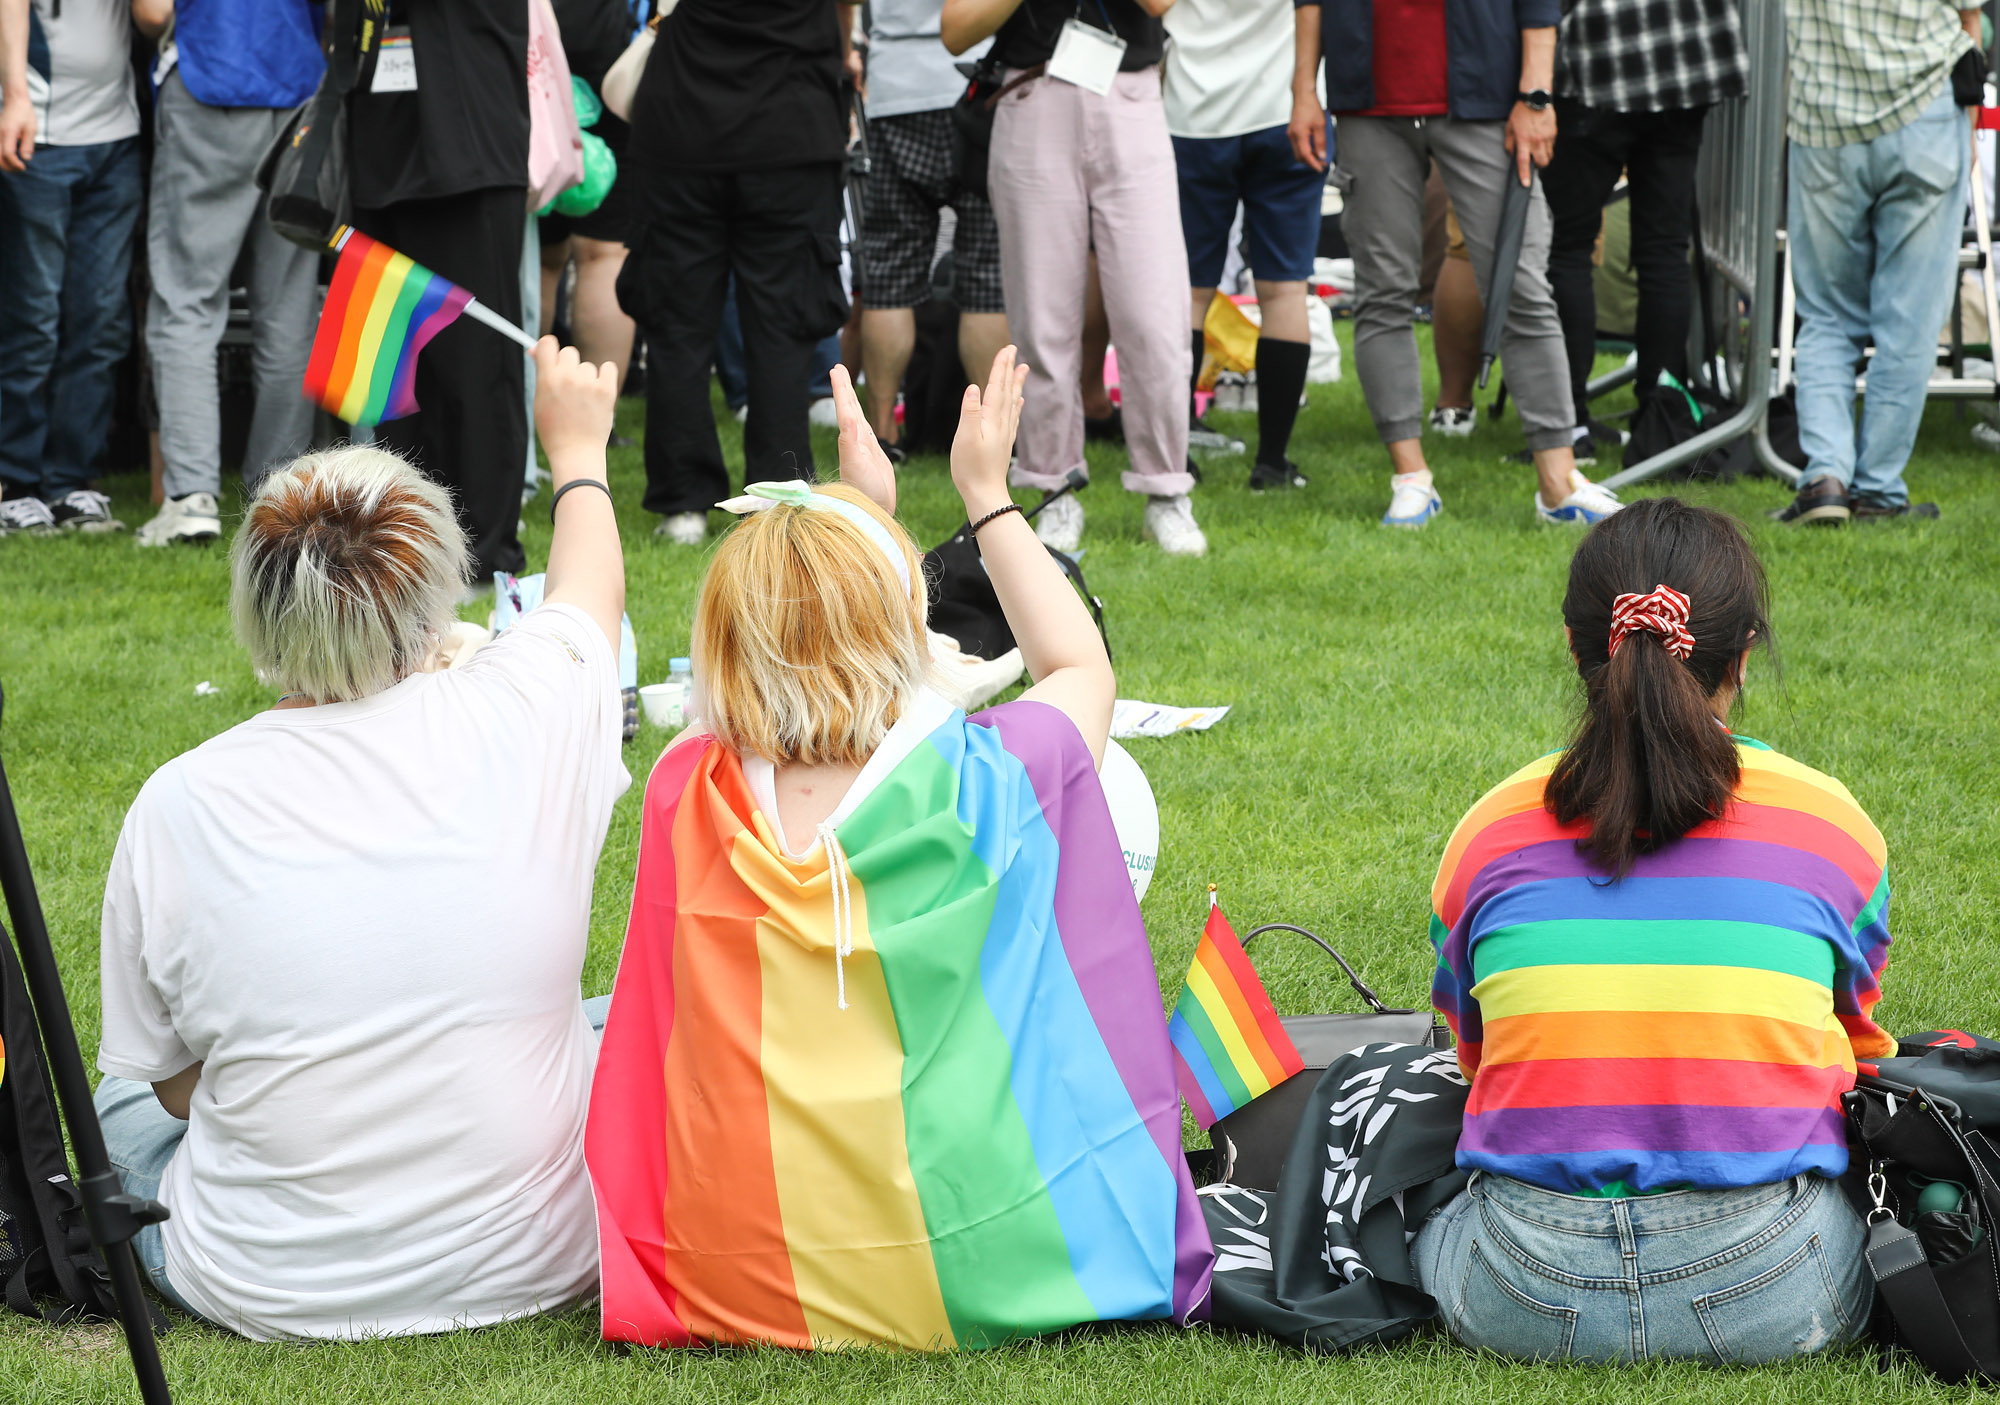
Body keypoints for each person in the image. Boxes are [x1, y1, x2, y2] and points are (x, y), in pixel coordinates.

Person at [585, 351, 1210, 1348]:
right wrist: (986, 496)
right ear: (908, 631)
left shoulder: (685, 790)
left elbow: (806, 642)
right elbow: (1074, 659)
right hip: (994, 1256)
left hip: (736, 1274)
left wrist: (853, 513)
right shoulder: (1000, 776)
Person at [93, 341, 628, 1339]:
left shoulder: (178, 803)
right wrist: (578, 451)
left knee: (115, 1098)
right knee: (600, 1019)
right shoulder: (525, 706)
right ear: (436, 592)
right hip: (544, 1254)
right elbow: (588, 589)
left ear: (256, 604)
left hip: (262, 1277)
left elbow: (170, 1087)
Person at [1420, 497, 1888, 1362]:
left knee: (1421, 1208)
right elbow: (1853, 1046)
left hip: (1524, 1288)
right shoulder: (1834, 824)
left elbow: (1476, 1057)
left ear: (1576, 647)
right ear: (1742, 658)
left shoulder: (1487, 830)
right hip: (1777, 1283)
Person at [1289, 0, 1623, 528]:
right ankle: (1411, 478)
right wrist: (1303, 90)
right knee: (1383, 294)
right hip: (1367, 103)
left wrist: (1535, 95)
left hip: (1483, 96)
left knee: (1522, 289)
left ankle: (1559, 485)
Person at [944, 0, 1208, 557]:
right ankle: (1052, 488)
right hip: (1032, 95)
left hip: (1130, 93)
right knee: (1041, 321)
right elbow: (956, 30)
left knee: (1154, 317)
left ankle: (1166, 492)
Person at [620, 0, 855, 547]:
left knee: (679, 324)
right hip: (787, 124)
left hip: (687, 121)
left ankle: (686, 501)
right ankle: (773, 497)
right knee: (779, 324)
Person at [1769, 0, 1979, 525]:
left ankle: (1826, 478)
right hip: (1926, 117)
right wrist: (1970, 126)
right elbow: (1969, 19)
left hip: (1824, 122)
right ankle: (1880, 489)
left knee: (1826, 314)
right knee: (1910, 323)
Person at [346, 0, 533, 579]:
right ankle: (405, 548)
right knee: (392, 375)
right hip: (377, 143)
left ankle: (482, 556)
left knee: (474, 370)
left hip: (466, 141)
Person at [136, 0, 325, 549]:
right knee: (289, 311)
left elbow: (151, 12)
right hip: (299, 89)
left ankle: (191, 498)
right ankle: (280, 497)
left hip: (210, 78)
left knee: (186, 300)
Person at [1542, 0, 1744, 466]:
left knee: (1567, 248)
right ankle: (1661, 416)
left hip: (1597, 56)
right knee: (1664, 252)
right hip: (1686, 58)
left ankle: (1569, 422)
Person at [0, 0, 150, 536]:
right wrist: (13, 96)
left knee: (100, 318)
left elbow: (153, 17)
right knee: (33, 317)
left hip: (114, 138)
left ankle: (72, 481)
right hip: (37, 134)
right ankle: (15, 482)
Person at [1166, 0, 1320, 490]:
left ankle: (1174, 457)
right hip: (1283, 108)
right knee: (1285, 291)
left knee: (1186, 295)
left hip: (1189, 111)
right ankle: (1272, 463)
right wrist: (1306, 92)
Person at [857, 0, 1010, 462]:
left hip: (896, 87)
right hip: (980, 82)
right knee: (988, 278)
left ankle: (882, 434)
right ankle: (989, 438)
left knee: (889, 277)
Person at [538, 0, 639, 392]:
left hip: (536, 55)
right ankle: (596, 417)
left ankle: (525, 409)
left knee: (542, 258)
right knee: (604, 254)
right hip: (614, 58)